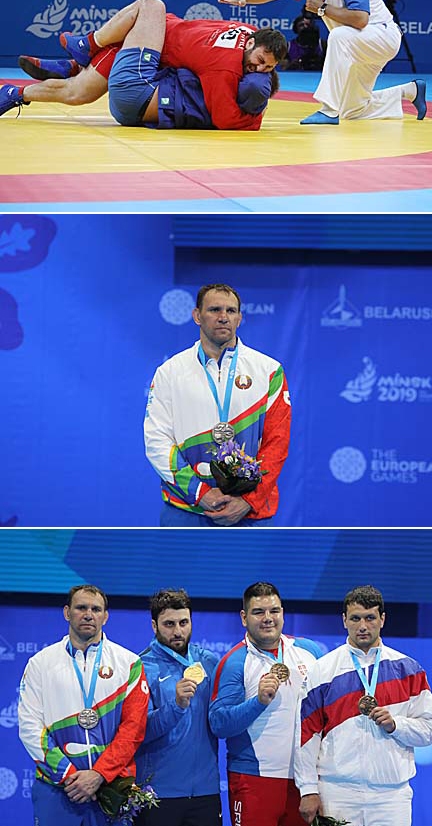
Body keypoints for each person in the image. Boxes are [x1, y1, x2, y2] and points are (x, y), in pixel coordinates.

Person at [218, 0, 427, 125]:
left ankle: (328, 110)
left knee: (338, 36)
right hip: (359, 45)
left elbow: (361, 19)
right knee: (353, 110)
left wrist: (322, 8)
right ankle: (410, 91)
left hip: (381, 37)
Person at [7, 2, 285, 130]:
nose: (258, 70)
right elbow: (226, 119)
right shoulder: (225, 72)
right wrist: (256, 117)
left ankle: (83, 52)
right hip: (143, 83)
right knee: (77, 93)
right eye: (260, 63)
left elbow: (226, 116)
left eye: (267, 70)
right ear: (251, 43)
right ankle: (16, 93)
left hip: (148, 71)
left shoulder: (247, 31)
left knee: (151, 6)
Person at [144, 284, 291, 525]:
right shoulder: (169, 372)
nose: (224, 317)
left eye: (231, 311)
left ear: (240, 318)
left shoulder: (269, 371)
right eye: (214, 309)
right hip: (186, 510)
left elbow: (278, 443)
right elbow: (156, 440)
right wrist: (200, 493)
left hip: (250, 512)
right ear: (197, 316)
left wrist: (248, 500)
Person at [296, 584, 432, 826]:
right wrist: (308, 789)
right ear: (344, 620)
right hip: (337, 793)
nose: (362, 626)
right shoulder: (322, 671)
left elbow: (430, 730)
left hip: (391, 797)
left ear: (382, 619)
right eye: (355, 618)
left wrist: (397, 725)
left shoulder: (408, 670)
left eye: (370, 618)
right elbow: (305, 736)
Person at [18, 582, 149, 824]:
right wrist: (68, 776)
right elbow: (30, 728)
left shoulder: (129, 664)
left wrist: (99, 774)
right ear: (67, 612)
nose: (89, 614)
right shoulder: (40, 664)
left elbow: (133, 729)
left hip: (112, 787)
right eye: (81, 608)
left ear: (106, 616)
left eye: (96, 609)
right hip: (57, 788)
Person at [209, 580, 324, 825]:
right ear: (244, 617)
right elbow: (219, 724)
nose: (268, 618)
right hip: (254, 780)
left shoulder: (310, 652)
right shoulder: (234, 662)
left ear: (283, 613)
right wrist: (258, 702)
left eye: (274, 611)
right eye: (258, 612)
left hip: (304, 781)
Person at [137, 588, 221, 824]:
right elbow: (139, 731)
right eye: (169, 624)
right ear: (154, 626)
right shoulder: (140, 667)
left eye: (183, 622)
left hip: (206, 792)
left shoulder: (209, 662)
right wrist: (175, 705)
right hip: (159, 794)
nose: (177, 631)